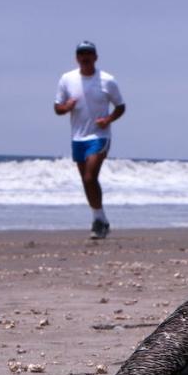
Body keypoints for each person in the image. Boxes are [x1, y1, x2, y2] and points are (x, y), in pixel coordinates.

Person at [54, 41, 126, 239]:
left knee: (89, 177)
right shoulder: (67, 79)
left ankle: (99, 221)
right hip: (78, 137)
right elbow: (57, 108)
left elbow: (120, 106)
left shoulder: (107, 80)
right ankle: (100, 218)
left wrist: (108, 119)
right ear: (77, 57)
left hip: (99, 135)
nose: (85, 57)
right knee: (86, 181)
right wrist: (67, 107)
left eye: (88, 54)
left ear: (95, 57)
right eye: (81, 54)